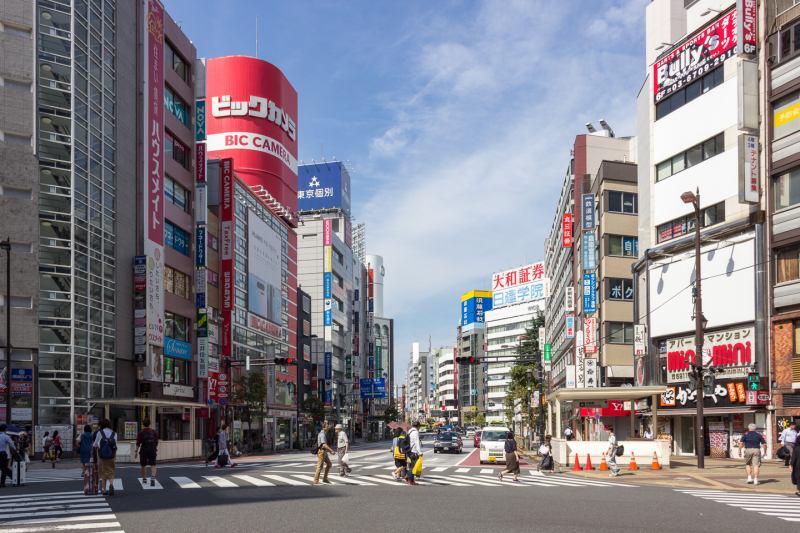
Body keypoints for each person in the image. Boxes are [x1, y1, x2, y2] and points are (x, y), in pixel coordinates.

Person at [93, 419, 117, 496]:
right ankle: (111, 484)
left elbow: (95, 444)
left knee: (103, 471)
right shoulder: (114, 433)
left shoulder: (100, 433)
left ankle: (103, 489)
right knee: (111, 470)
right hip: (112, 455)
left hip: (101, 455)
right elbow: (115, 445)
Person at [136, 419, 159, 486]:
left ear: (143, 424)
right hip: (152, 449)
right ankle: (152, 478)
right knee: (153, 464)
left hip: (144, 450)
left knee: (143, 465)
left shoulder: (141, 432)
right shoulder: (154, 432)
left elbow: (138, 443)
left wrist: (136, 452)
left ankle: (144, 479)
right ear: (149, 424)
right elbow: (156, 442)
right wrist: (155, 448)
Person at [406, 421, 423, 486]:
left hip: (409, 451)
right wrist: (420, 452)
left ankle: (411, 480)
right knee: (413, 467)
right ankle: (410, 480)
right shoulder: (415, 432)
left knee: (411, 466)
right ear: (418, 426)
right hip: (413, 452)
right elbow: (417, 443)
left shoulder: (409, 431)